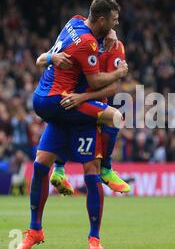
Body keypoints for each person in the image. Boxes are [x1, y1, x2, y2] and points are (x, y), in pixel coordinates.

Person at [17, 0, 129, 249]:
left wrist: (49, 58)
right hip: (69, 104)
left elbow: (109, 88)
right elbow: (101, 80)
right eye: (113, 21)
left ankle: (93, 238)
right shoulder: (88, 42)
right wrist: (120, 73)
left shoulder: (78, 24)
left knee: (59, 166)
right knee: (114, 118)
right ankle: (36, 229)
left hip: (74, 107)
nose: (116, 25)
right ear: (101, 20)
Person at [37, 40, 129, 196]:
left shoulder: (115, 46)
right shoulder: (80, 37)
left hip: (81, 100)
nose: (116, 22)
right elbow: (40, 60)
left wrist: (83, 97)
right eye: (114, 19)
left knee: (66, 130)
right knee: (91, 165)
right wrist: (52, 57)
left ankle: (59, 169)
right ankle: (105, 169)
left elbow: (113, 87)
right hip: (71, 100)